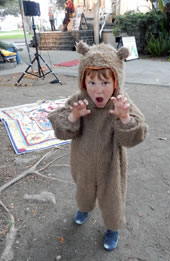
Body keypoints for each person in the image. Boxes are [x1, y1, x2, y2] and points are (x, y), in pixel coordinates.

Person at [48, 41, 148, 251]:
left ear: (116, 81)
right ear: (83, 81)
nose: (98, 89)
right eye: (92, 83)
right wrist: (74, 116)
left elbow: (136, 134)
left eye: (105, 83)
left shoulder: (120, 102)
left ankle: (113, 227)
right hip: (82, 161)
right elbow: (60, 126)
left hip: (110, 165)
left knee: (112, 200)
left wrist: (124, 118)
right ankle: (84, 208)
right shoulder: (79, 100)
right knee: (83, 191)